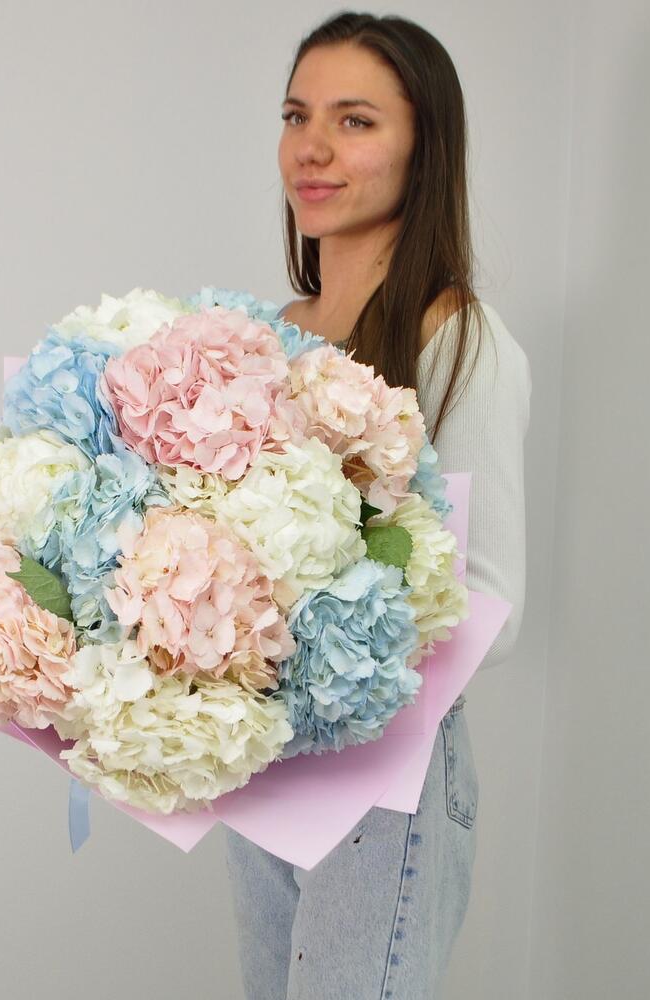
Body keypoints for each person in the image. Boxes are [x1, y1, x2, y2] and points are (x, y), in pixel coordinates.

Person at [224, 12, 532, 1000]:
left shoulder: (459, 341)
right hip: (265, 760)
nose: (311, 147)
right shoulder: (268, 336)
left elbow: (491, 603)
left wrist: (320, 639)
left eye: (354, 121)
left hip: (384, 777)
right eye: (297, 115)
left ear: (422, 147)